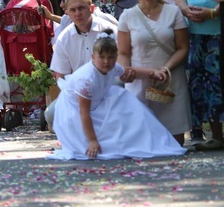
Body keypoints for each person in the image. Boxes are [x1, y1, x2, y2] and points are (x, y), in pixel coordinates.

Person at [48, 31, 187, 160]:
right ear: (93, 57)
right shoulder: (87, 79)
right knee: (116, 99)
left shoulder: (112, 66)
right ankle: (99, 140)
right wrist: (92, 140)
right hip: (74, 111)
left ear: (116, 57)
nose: (106, 61)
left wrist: (153, 73)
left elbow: (129, 72)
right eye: (101, 57)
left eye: (111, 57)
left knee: (124, 97)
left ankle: (140, 139)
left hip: (97, 101)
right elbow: (84, 113)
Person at [118, 0, 192, 145]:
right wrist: (126, 71)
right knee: (142, 139)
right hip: (140, 80)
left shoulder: (173, 12)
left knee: (175, 140)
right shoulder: (128, 16)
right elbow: (123, 52)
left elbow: (183, 48)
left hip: (171, 79)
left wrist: (166, 68)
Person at [176, 0, 224, 149]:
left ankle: (218, 134)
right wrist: (185, 9)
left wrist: (213, 13)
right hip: (195, 32)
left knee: (218, 82)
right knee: (198, 81)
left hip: (218, 31)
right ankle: (202, 132)